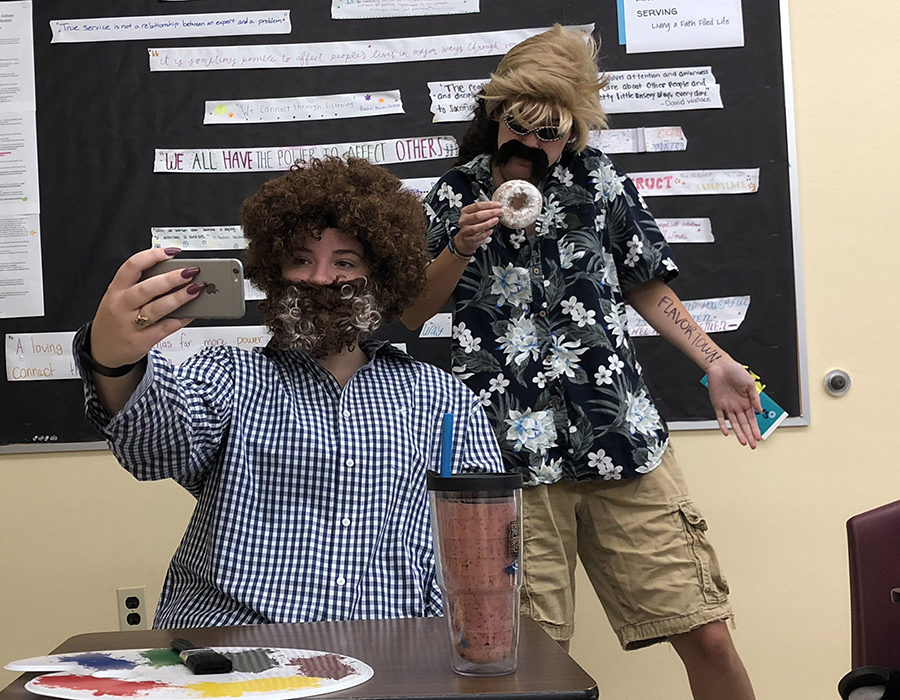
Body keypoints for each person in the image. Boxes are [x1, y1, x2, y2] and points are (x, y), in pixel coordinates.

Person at [402, 25, 760, 700]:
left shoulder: (600, 183)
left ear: (573, 135)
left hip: (620, 441)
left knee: (706, 629)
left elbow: (647, 284)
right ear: (495, 116)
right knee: (534, 661)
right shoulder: (454, 193)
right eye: (520, 126)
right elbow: (414, 312)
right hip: (508, 461)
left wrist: (716, 361)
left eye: (551, 133)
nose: (532, 146)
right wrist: (459, 244)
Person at [73, 156, 503, 629]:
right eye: (301, 259)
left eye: (345, 261)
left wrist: (447, 654)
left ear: (381, 276)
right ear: (275, 270)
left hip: (394, 655)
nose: (320, 278)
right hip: (231, 654)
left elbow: (484, 550)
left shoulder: (443, 400)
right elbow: (154, 447)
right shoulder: (231, 375)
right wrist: (113, 360)